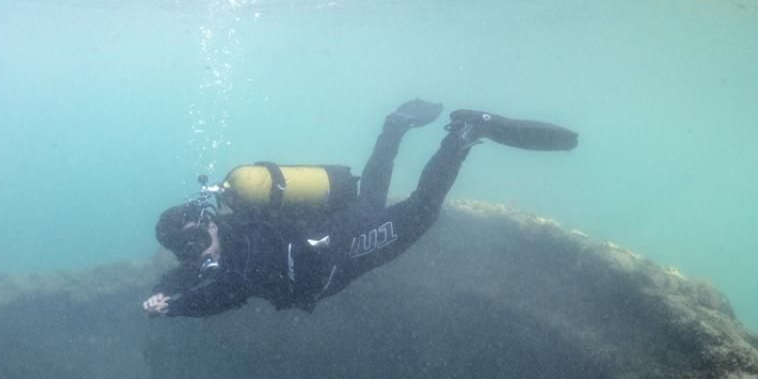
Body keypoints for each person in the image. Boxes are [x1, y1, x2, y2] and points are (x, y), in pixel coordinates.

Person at [143, 100, 577, 318]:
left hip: (343, 250)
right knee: (369, 197)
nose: (201, 254)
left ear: (209, 221)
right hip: (329, 231)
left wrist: (173, 307)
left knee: (420, 213)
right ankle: (394, 127)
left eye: (199, 241)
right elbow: (203, 276)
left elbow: (223, 294)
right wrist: (169, 284)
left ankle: (461, 137)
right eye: (189, 251)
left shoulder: (242, 257)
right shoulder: (230, 236)